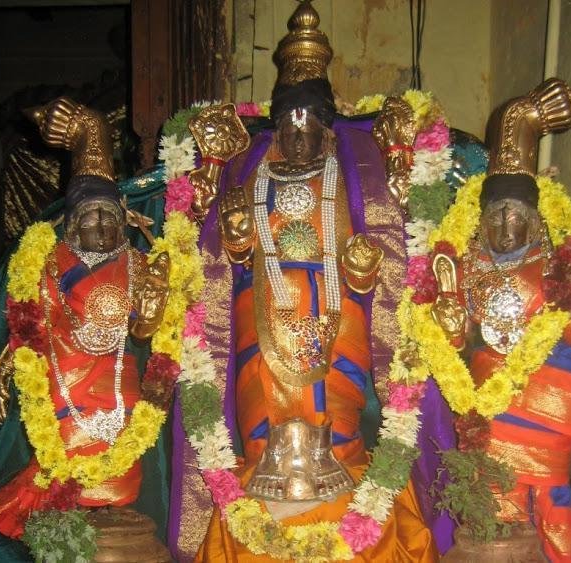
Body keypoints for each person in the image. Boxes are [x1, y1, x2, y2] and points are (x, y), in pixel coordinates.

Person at [172, 1, 451, 560]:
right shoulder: (252, 178)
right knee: (260, 419)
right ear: (276, 128)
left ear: (327, 128)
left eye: (310, 124)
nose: (299, 135)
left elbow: (372, 252)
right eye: (289, 124)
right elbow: (225, 267)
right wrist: (235, 237)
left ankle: (336, 472)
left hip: (336, 312)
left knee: (336, 418)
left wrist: (364, 273)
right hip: (263, 314)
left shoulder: (348, 179)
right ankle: (265, 483)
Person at [428, 79, 571, 562]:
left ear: (533, 221)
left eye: (514, 217)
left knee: (552, 496)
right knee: (495, 497)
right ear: (482, 221)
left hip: (548, 400)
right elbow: (455, 339)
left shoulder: (550, 265)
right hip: (488, 399)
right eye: (495, 217)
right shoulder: (468, 266)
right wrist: (450, 322)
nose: (504, 227)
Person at [0, 97, 171, 544]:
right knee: (64, 454)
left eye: (110, 217)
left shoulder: (140, 263)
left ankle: (113, 517)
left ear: (124, 221)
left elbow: (148, 334)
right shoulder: (47, 263)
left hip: (119, 378)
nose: (102, 227)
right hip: (63, 374)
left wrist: (149, 317)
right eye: (91, 217)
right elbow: (31, 324)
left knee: (126, 459)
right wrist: (8, 361)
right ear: (72, 222)